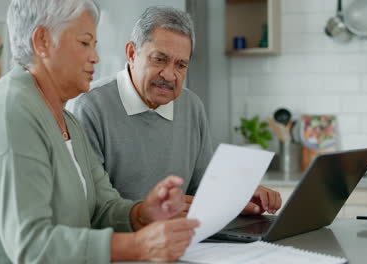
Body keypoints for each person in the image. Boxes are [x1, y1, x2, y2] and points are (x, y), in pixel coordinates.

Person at [0, 0, 199, 263]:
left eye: (94, 46)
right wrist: (137, 245)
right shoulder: (9, 113)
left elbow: (102, 207)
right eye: (85, 43)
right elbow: (32, 245)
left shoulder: (66, 120)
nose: (95, 57)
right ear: (42, 41)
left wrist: (144, 213)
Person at [68, 6, 282, 216]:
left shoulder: (191, 106)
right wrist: (154, 211)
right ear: (132, 53)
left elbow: (202, 190)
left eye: (181, 65)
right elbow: (91, 206)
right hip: (124, 246)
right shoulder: (89, 107)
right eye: (159, 59)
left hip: (181, 240)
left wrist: (239, 196)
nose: (170, 75)